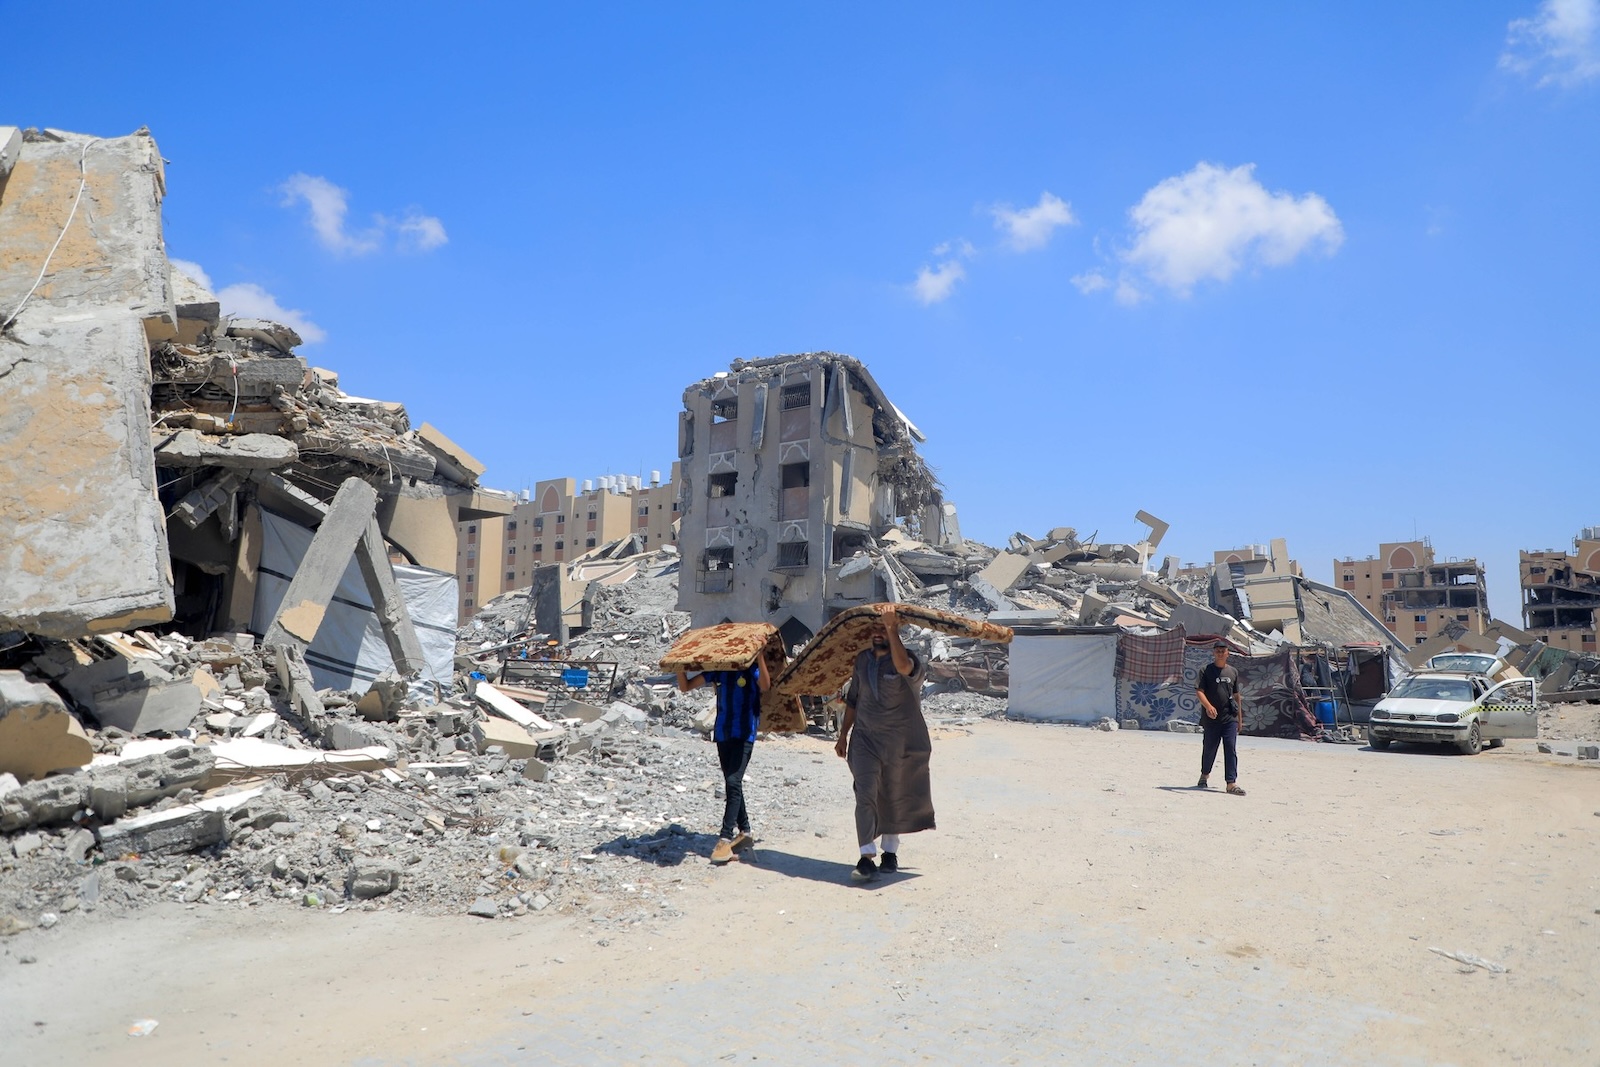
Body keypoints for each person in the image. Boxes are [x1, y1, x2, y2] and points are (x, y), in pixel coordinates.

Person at [834, 608, 934, 882]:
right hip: (865, 740)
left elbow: (904, 669)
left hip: (899, 742)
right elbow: (854, 699)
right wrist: (843, 735)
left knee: (893, 794)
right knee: (865, 793)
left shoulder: (907, 659)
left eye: (884, 629)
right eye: (875, 629)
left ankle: (890, 851)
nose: (878, 633)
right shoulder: (862, 661)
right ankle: (866, 856)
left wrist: (892, 629)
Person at [677, 649, 773, 864]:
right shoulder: (720, 671)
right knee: (733, 783)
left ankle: (725, 837)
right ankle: (745, 832)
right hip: (723, 733)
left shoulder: (752, 670)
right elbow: (685, 687)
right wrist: (679, 667)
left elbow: (766, 686)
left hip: (744, 733)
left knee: (732, 781)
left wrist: (759, 657)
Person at [1195, 641, 1247, 796]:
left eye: (1223, 651)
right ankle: (1204, 774)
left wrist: (1239, 718)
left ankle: (1231, 783)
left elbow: (1237, 696)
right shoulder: (1206, 670)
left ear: (1227, 654)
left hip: (1229, 717)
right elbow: (1199, 691)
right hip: (1211, 718)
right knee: (1210, 748)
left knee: (1230, 748)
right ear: (1213, 653)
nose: (1220, 653)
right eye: (1217, 651)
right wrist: (1208, 706)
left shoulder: (1233, 672)